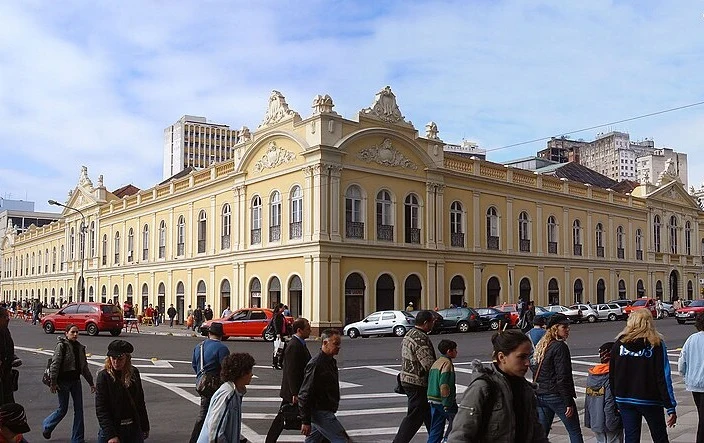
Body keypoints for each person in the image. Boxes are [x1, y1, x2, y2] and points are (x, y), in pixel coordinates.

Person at [448, 329, 548, 442]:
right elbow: (459, 435)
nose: (527, 363)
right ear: (501, 357)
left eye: (529, 357)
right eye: (521, 357)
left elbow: (537, 433)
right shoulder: (483, 387)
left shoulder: (526, 389)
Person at [610, 308, 677, 442]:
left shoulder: (619, 344)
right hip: (650, 398)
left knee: (631, 437)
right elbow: (663, 376)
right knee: (659, 436)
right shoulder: (655, 344)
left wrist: (615, 399)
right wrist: (670, 406)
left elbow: (612, 375)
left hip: (624, 398)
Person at [531, 313, 583, 442]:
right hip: (556, 395)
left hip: (541, 395)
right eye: (564, 327)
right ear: (555, 328)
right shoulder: (560, 347)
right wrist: (568, 402)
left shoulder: (543, 346)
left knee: (542, 434)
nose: (567, 330)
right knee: (574, 431)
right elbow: (562, 376)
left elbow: (534, 367)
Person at [42, 324, 96, 441]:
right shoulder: (61, 346)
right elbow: (55, 365)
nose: (75, 334)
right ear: (66, 333)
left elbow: (84, 368)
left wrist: (91, 383)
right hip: (63, 383)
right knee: (63, 409)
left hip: (76, 381)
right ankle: (47, 425)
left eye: (77, 332)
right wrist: (53, 382)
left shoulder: (80, 348)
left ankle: (77, 439)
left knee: (79, 410)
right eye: (72, 332)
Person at [266, 317, 312, 443]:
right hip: (293, 391)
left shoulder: (299, 343)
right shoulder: (294, 345)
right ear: (299, 330)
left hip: (294, 390)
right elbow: (291, 371)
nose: (311, 330)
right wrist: (294, 393)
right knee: (283, 416)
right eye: (308, 328)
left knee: (282, 417)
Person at [393, 310, 437, 443]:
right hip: (417, 383)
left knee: (428, 415)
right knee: (414, 417)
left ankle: (435, 439)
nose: (433, 324)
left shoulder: (409, 334)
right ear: (425, 323)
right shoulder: (420, 338)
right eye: (432, 322)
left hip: (407, 380)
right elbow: (428, 363)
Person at [298, 329, 348, 443]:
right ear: (325, 343)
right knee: (341, 439)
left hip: (324, 409)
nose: (338, 347)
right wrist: (305, 421)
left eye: (339, 344)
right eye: (335, 344)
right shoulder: (317, 364)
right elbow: (305, 393)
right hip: (321, 411)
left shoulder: (330, 361)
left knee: (312, 440)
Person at [95, 340, 149, 443]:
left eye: (120, 359)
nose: (116, 362)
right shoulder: (104, 376)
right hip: (113, 428)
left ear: (127, 358)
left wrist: (145, 426)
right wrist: (111, 435)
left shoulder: (134, 373)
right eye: (113, 358)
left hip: (132, 428)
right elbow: (101, 408)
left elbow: (140, 402)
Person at [196, 353, 255, 443]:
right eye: (250, 371)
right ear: (242, 373)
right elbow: (215, 432)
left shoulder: (235, 392)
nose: (252, 375)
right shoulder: (227, 394)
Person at [190, 322, 230, 443]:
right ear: (221, 335)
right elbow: (226, 368)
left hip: (201, 383)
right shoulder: (222, 348)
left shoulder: (199, 346)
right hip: (215, 385)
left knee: (206, 412)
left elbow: (194, 364)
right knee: (215, 413)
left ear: (209, 334)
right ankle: (197, 439)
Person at [584, 342, 622, 443]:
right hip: (610, 420)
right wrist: (613, 421)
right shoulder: (611, 375)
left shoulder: (593, 374)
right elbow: (609, 402)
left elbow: (589, 400)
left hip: (596, 419)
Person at [678, 312, 704, 442]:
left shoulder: (691, 339)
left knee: (701, 415)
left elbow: (682, 361)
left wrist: (684, 375)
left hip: (694, 384)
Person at [426, 340, 458, 443]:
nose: (456, 352)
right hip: (442, 399)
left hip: (432, 398)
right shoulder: (447, 363)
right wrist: (447, 403)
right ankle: (447, 440)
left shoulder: (437, 362)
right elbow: (445, 385)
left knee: (436, 426)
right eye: (455, 350)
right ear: (449, 351)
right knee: (456, 421)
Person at [0, 307, 16, 405]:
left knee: (8, 402)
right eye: (5, 316)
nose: (8, 319)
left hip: (6, 372)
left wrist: (13, 357)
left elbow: (9, 347)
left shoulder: (5, 330)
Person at [271, 304, 286, 370]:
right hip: (278, 335)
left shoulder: (281, 316)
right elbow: (275, 324)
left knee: (282, 349)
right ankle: (275, 363)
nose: (284, 309)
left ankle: (279, 362)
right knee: (277, 349)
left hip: (282, 334)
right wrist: (277, 333)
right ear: (279, 308)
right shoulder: (276, 316)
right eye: (283, 308)